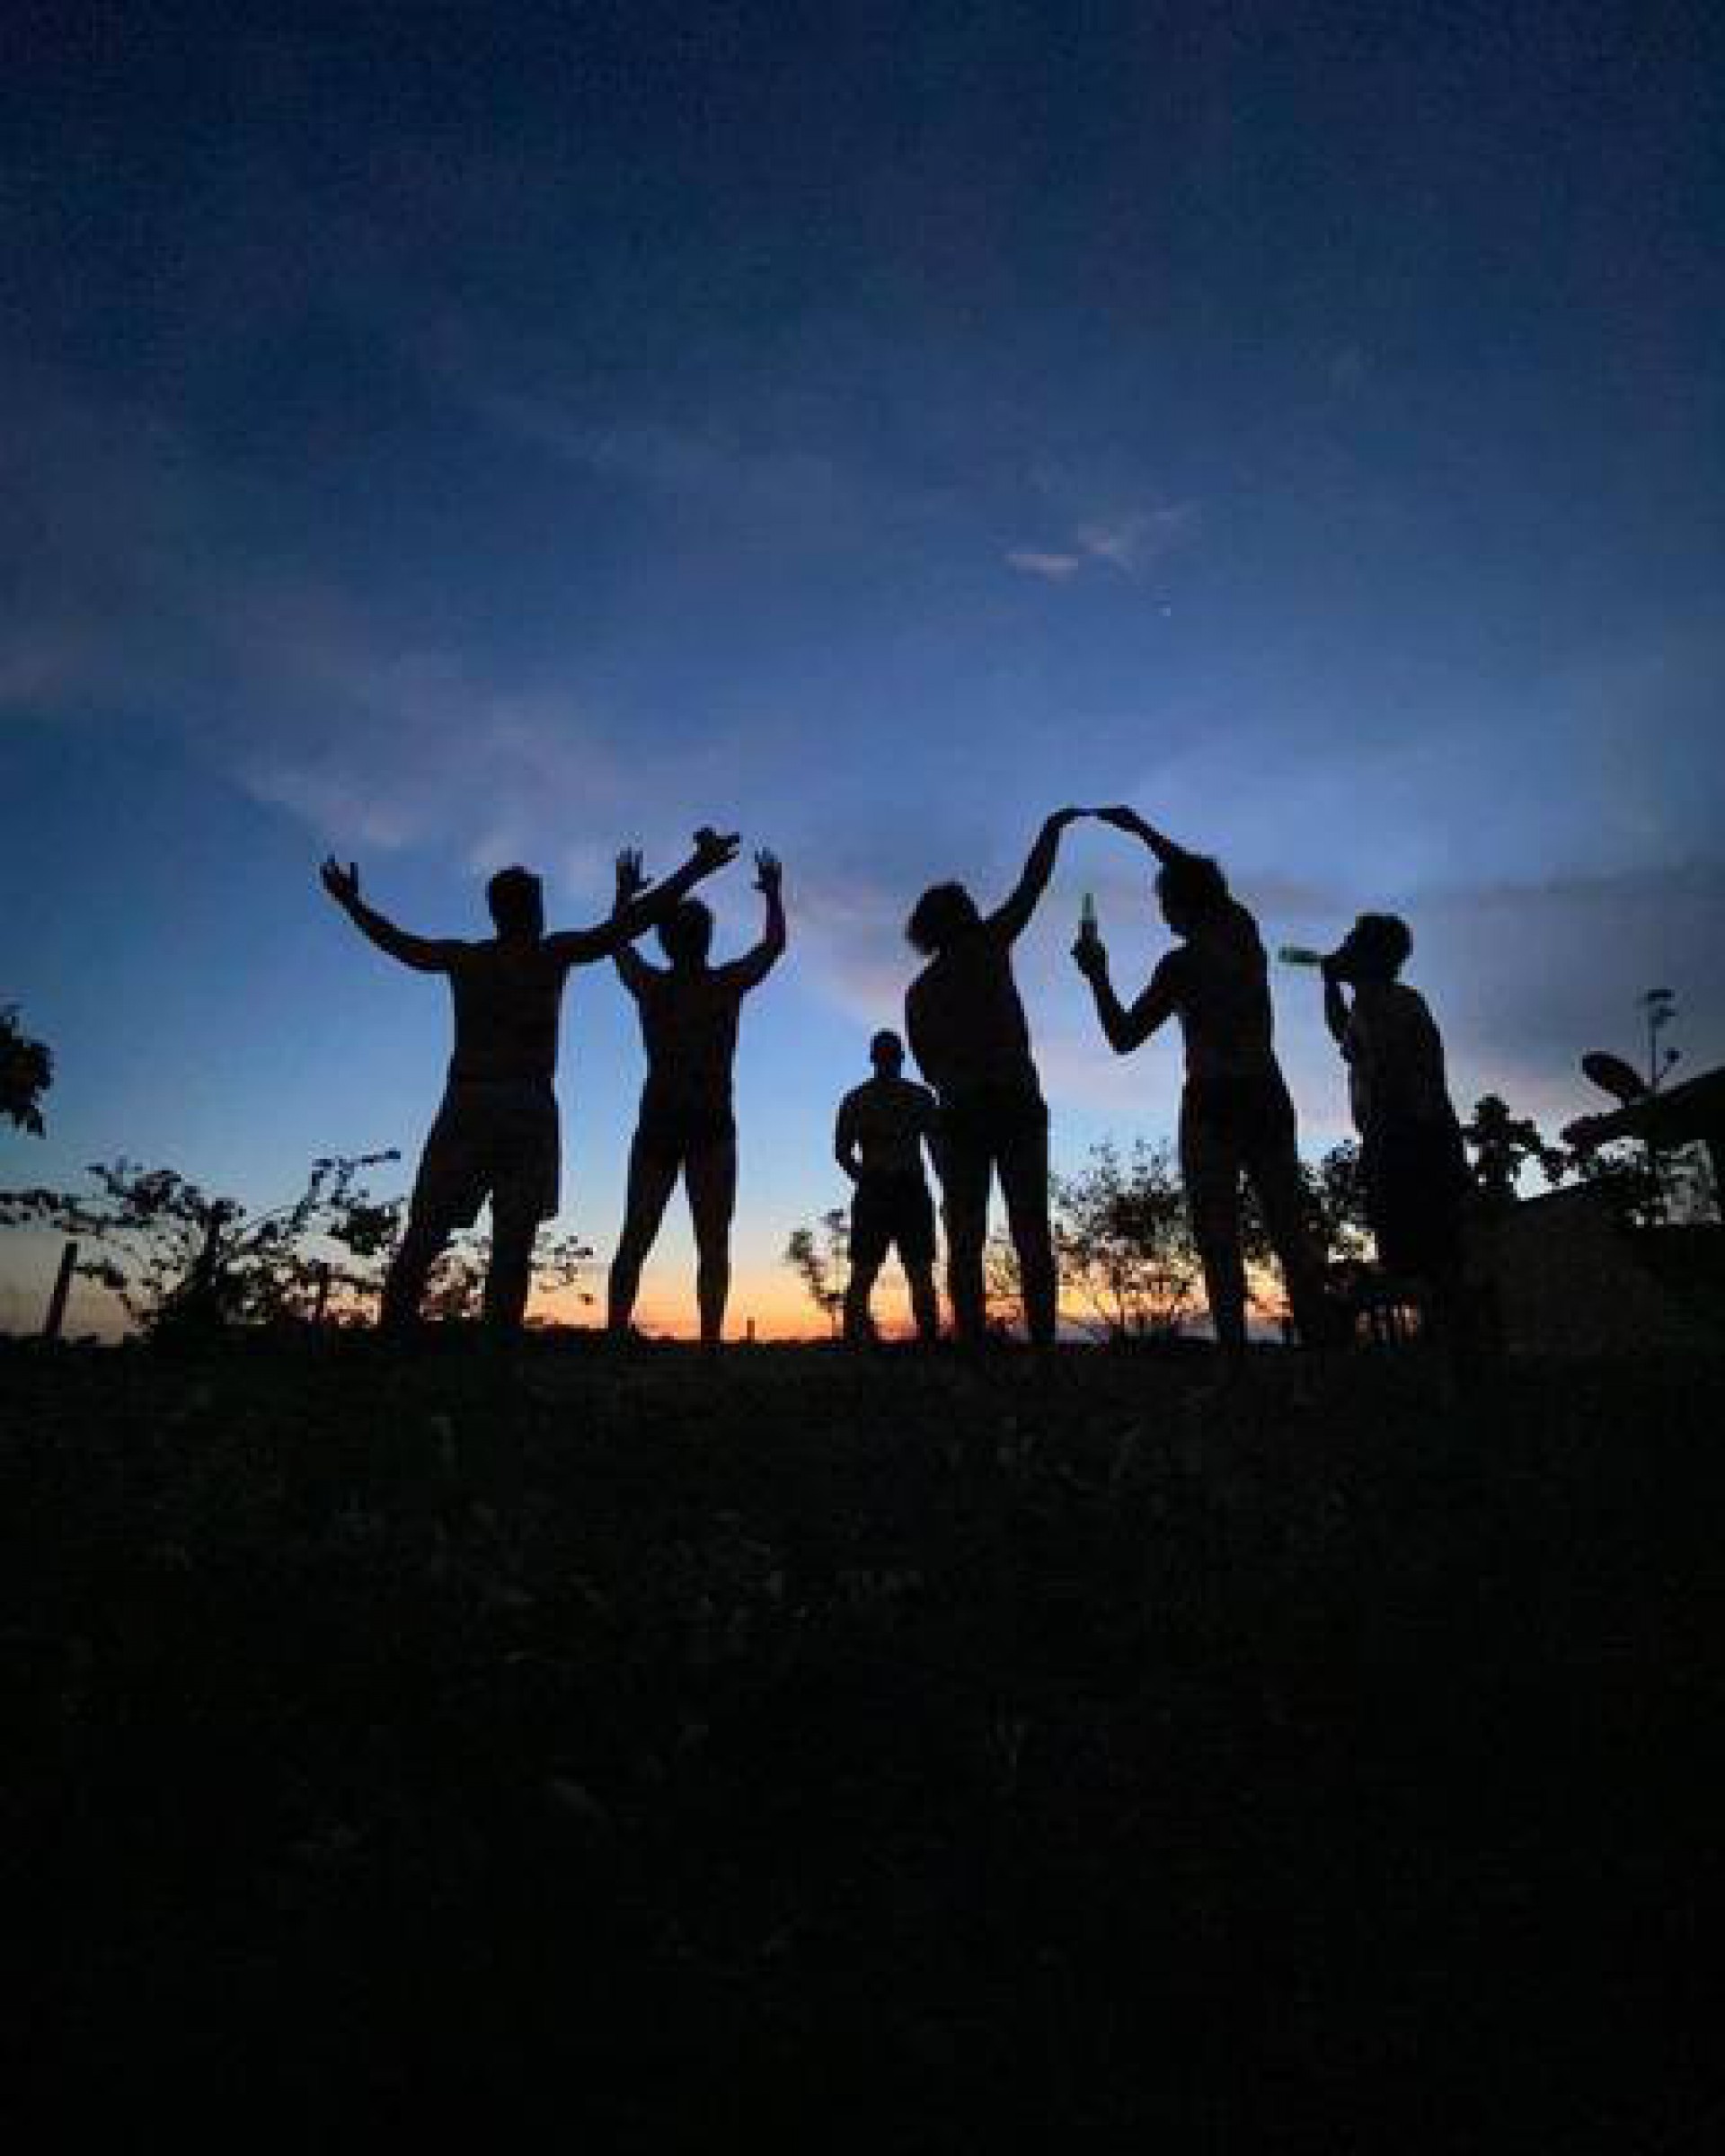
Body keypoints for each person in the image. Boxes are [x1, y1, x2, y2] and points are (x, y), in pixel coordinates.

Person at [320, 829, 739, 1333]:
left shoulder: (471, 959)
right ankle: (493, 1355)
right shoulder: (549, 955)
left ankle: (395, 1347)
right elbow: (623, 927)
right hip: (524, 1107)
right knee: (510, 1244)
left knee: (429, 1233)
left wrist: (352, 905)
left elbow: (401, 946)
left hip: (472, 1101)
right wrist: (693, 870)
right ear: (532, 910)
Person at [1071, 805, 1328, 1373]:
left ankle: (1236, 1362)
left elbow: (1122, 1037)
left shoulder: (1180, 967)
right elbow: (1193, 871)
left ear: (1182, 903)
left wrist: (1096, 975)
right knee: (1289, 1231)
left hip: (1212, 1102)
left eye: (1165, 901)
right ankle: (1320, 1360)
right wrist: (1141, 831)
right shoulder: (1242, 934)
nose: (1161, 912)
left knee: (1219, 1238)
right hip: (1264, 1092)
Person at [904, 809, 1084, 1347]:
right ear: (963, 917)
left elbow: (928, 1066)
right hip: (1010, 1102)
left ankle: (974, 1351)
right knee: (1029, 1231)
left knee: (966, 1239)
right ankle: (1043, 1351)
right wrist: (1051, 829)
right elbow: (1033, 883)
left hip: (964, 1109)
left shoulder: (921, 991)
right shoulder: (987, 946)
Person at [606, 845, 787, 1348]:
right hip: (700, 1126)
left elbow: (618, 943)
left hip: (669, 1124)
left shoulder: (656, 987)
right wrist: (773, 893)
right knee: (706, 1244)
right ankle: (707, 1348)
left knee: (638, 1240)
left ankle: (619, 1343)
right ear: (704, 939)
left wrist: (623, 893)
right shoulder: (721, 985)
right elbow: (772, 947)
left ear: (666, 940)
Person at [1321, 914, 1469, 1291]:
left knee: (1423, 1256)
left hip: (1411, 1138)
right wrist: (1330, 986)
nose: (1343, 950)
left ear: (1372, 956)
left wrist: (1382, 1145)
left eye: (1351, 943)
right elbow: (1344, 1036)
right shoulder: (1379, 1002)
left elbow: (1391, 1074)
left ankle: (1450, 1341)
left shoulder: (1385, 1004)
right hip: (1410, 1135)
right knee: (1428, 1257)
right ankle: (1447, 1340)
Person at [835, 1029, 942, 1345]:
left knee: (919, 1273)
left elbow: (935, 1145)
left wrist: (946, 1187)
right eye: (883, 1055)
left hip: (910, 1191)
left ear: (898, 1058)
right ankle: (854, 1343)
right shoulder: (856, 1100)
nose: (887, 1061)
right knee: (864, 1274)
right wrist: (867, 1179)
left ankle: (929, 1343)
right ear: (874, 1058)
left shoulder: (920, 1097)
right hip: (877, 1192)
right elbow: (842, 1152)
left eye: (890, 1055)